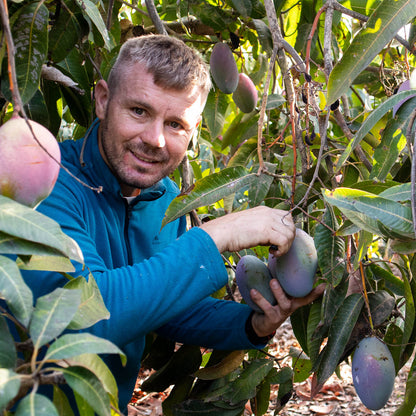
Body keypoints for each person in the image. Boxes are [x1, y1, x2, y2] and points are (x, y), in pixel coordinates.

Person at [24, 34, 324, 413]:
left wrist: (253, 325)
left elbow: (165, 305)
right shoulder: (46, 184)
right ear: (102, 100)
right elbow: (86, 314)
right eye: (138, 111)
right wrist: (216, 235)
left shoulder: (164, 199)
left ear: (193, 131)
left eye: (176, 125)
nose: (155, 140)